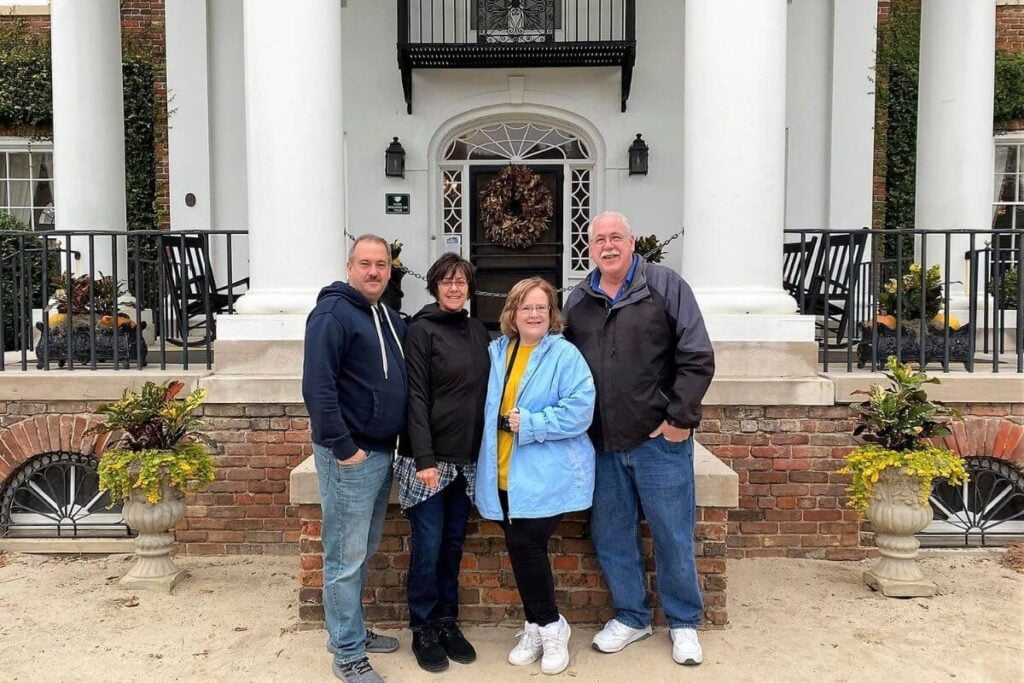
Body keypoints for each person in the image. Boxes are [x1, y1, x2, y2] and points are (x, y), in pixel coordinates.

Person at [563, 211, 715, 667]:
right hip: (604, 443)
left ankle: (684, 622)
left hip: (659, 442)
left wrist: (679, 420)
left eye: (615, 237)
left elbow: (697, 355)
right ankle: (632, 616)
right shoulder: (578, 300)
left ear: (631, 243)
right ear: (588, 249)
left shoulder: (665, 286)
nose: (607, 246)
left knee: (672, 533)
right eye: (598, 240)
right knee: (611, 534)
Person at [475, 277, 596, 676]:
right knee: (519, 548)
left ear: (551, 314)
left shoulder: (564, 355)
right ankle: (535, 624)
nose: (533, 314)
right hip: (504, 472)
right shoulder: (498, 352)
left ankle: (550, 626)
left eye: (541, 308)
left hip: (546, 474)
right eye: (526, 307)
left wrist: (531, 423)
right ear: (512, 313)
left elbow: (580, 411)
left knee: (527, 545)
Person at [302, 234, 407, 683]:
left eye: (381, 265)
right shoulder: (332, 314)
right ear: (350, 267)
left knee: (361, 551)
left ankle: (353, 632)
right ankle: (346, 652)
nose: (373, 272)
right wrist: (344, 448)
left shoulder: (385, 314)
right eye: (365, 264)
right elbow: (317, 387)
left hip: (381, 452)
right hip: (351, 457)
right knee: (343, 557)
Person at [395, 253, 490, 673]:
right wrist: (425, 458)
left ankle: (448, 620)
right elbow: (415, 395)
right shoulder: (422, 329)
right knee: (428, 546)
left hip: (466, 458)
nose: (454, 288)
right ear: (435, 286)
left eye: (461, 282)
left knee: (452, 545)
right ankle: (423, 626)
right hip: (429, 461)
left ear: (470, 287)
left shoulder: (476, 331)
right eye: (447, 282)